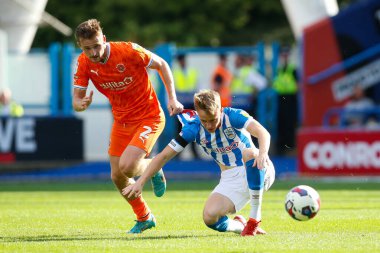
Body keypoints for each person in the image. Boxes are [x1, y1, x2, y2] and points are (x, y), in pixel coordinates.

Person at [72, 19, 183, 234]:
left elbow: (162, 65)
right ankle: (145, 217)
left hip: (149, 117)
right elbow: (76, 100)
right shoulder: (84, 63)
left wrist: (172, 98)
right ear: (80, 46)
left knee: (129, 167)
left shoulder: (129, 51)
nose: (94, 52)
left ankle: (154, 167)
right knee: (117, 175)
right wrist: (80, 104)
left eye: (96, 45)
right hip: (122, 121)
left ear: (103, 39)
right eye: (87, 48)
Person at [122, 89, 275, 236]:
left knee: (251, 153)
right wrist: (140, 182)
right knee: (209, 217)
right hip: (230, 177)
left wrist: (262, 153)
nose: (209, 125)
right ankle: (239, 226)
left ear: (220, 110)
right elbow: (163, 156)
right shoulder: (193, 128)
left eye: (213, 120)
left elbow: (263, 133)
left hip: (258, 168)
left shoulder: (233, 115)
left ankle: (254, 219)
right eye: (204, 121)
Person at [173, 54, 200, 159]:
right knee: (180, 131)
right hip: (181, 107)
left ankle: (194, 153)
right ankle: (177, 154)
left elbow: (197, 87)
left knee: (193, 128)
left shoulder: (192, 72)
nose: (182, 62)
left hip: (191, 106)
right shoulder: (175, 73)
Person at [272, 47, 298, 155]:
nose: (284, 57)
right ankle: (281, 147)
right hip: (280, 98)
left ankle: (290, 146)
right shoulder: (278, 69)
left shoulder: (292, 69)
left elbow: (298, 85)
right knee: (281, 122)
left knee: (290, 122)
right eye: (283, 55)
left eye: (286, 55)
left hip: (290, 98)